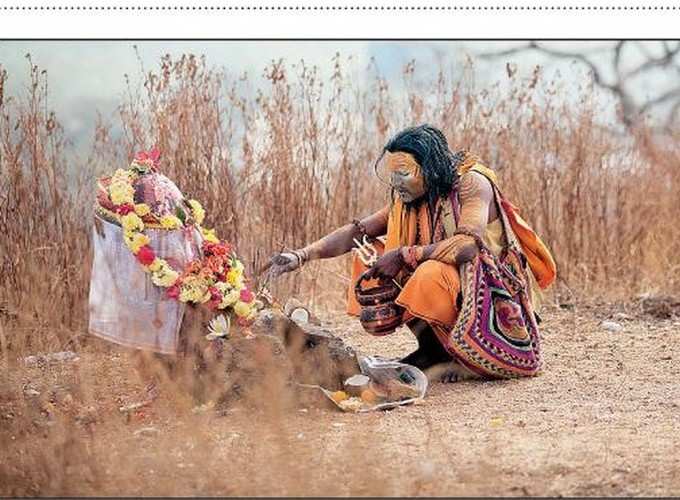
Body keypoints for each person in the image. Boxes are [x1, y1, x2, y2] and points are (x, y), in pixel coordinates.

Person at [268, 124, 555, 380]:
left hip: (492, 292)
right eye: (392, 174)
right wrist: (300, 256)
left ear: (430, 169)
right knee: (368, 255)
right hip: (454, 285)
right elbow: (358, 231)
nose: (395, 183)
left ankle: (467, 356)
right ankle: (433, 351)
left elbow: (468, 246)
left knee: (427, 271)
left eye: (404, 173)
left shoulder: (472, 184)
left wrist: (406, 255)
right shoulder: (409, 199)